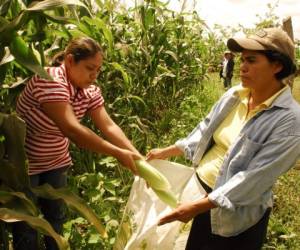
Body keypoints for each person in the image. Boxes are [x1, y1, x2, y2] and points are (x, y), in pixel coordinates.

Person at [147, 27, 299, 250]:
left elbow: (254, 180)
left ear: (277, 65)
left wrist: (198, 207)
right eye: (242, 59)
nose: (242, 66)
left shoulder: (290, 121)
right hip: (198, 192)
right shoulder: (235, 95)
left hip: (232, 212)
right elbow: (205, 130)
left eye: (252, 60)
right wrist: (167, 151)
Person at [14, 37, 142, 250]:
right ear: (70, 60)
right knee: (26, 225)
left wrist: (136, 156)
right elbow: (72, 129)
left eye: (98, 70)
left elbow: (108, 126)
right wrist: (117, 153)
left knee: (56, 218)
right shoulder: (50, 80)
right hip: (25, 165)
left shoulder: (89, 91)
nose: (94, 75)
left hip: (56, 161)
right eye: (90, 68)